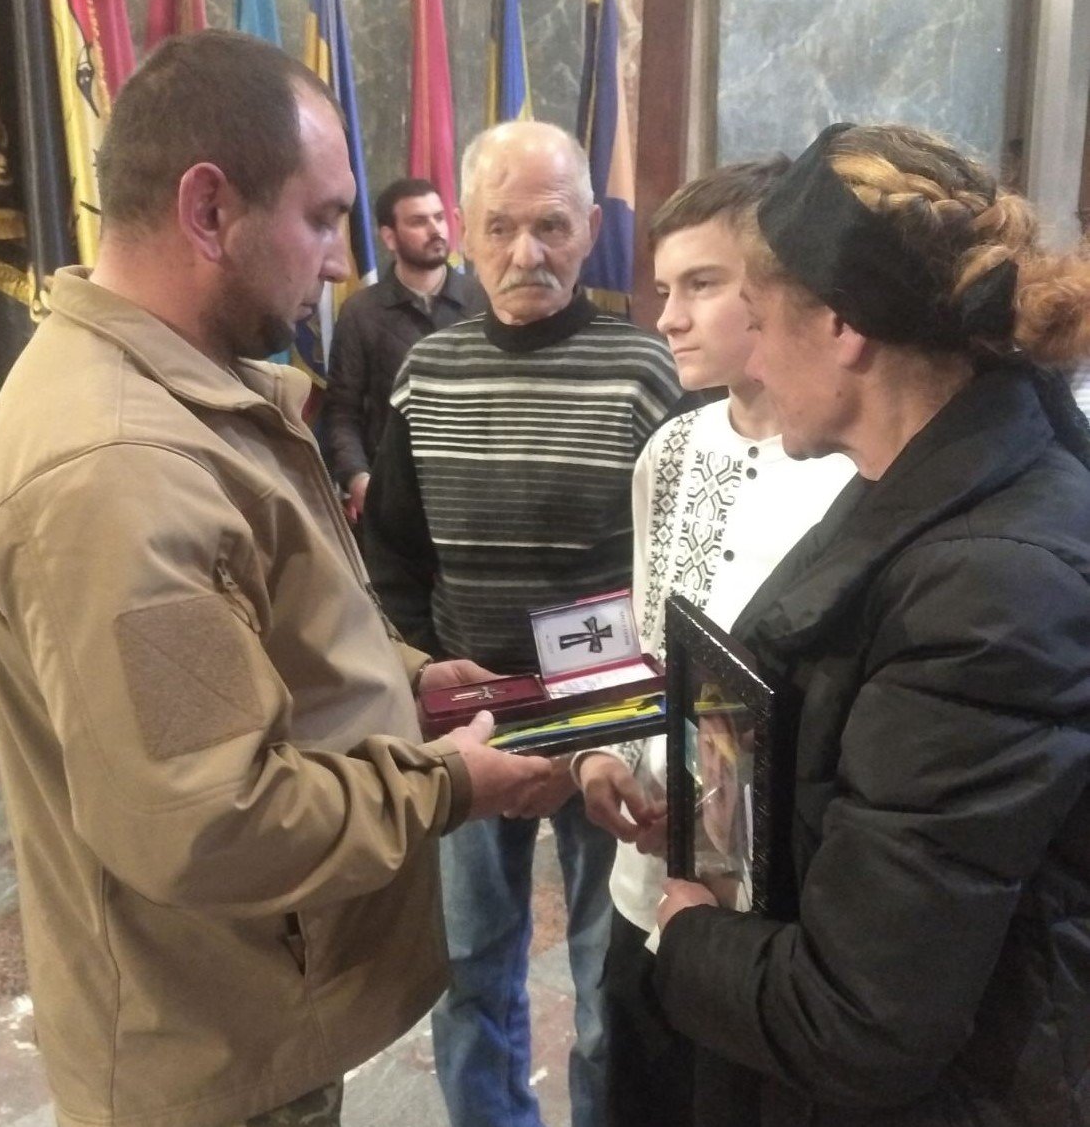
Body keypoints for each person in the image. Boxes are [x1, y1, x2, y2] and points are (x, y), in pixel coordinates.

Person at [0, 30, 552, 1127]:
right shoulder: (119, 466)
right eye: (322, 217)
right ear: (208, 210)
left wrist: (402, 678)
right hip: (213, 1048)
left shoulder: (173, 387)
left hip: (243, 1000)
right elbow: (211, 818)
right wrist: (448, 785)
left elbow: (255, 627)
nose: (338, 262)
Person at [653, 122, 1090, 1126]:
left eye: (754, 318)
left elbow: (861, 1018)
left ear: (842, 324)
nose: (748, 356)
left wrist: (688, 938)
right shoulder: (925, 485)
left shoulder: (991, 587)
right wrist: (720, 800)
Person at [363, 120, 681, 1127]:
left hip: (611, 716)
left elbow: (673, 562)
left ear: (590, 228)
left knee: (606, 972)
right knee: (466, 970)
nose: (525, 253)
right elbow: (392, 554)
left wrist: (602, 730)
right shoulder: (426, 373)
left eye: (551, 226)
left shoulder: (647, 373)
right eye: (500, 228)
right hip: (473, 715)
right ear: (464, 231)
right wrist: (422, 673)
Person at [572, 162, 855, 1126]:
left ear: (777, 290)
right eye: (664, 288)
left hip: (769, 922)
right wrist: (604, 752)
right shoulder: (671, 449)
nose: (668, 317)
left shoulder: (851, 469)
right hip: (645, 879)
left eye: (701, 284)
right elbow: (643, 634)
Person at [320, 177, 484, 522]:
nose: (435, 230)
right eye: (419, 221)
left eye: (439, 217)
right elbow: (342, 413)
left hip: (476, 498)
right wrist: (359, 481)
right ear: (389, 237)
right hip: (394, 499)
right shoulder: (361, 312)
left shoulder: (484, 302)